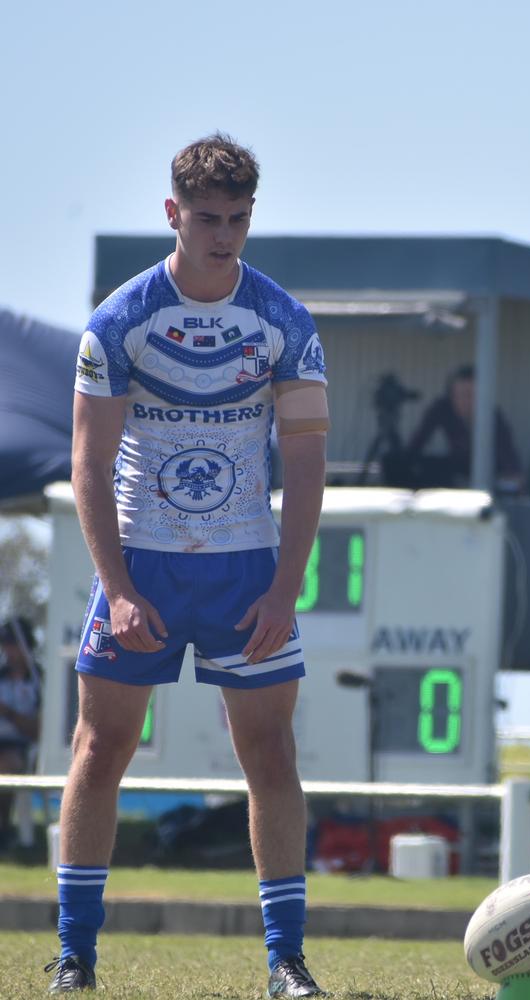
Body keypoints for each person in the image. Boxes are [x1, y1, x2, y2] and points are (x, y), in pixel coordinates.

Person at [46, 133, 329, 996]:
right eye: (208, 218)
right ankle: (74, 956)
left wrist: (287, 585)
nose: (224, 236)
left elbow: (309, 457)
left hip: (247, 567)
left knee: (272, 754)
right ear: (173, 214)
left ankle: (286, 962)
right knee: (101, 749)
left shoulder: (284, 322)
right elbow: (88, 465)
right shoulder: (120, 321)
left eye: (239, 219)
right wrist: (120, 590)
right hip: (142, 564)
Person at [406, 364, 523, 492]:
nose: (464, 401)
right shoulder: (442, 408)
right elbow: (418, 441)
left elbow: (508, 455)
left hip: (488, 476)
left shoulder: (493, 416)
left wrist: (513, 477)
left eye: (470, 395)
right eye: (459, 395)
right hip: (455, 472)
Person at [0, 617, 42, 848]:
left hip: (22, 747)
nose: (8, 650)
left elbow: (39, 730)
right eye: (5, 644)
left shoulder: (39, 680)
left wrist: (8, 713)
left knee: (7, 764)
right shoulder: (1, 676)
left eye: (13, 643)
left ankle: (3, 828)